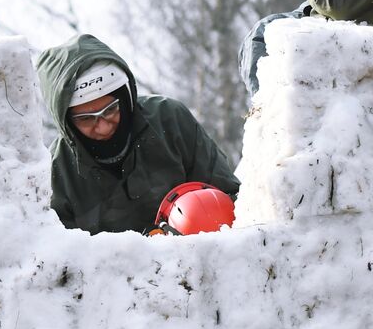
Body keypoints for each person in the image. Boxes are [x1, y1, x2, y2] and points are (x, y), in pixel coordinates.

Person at [36, 34, 239, 235]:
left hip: (198, 254)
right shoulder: (55, 173)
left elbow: (232, 198)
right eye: (86, 119)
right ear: (67, 122)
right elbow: (57, 256)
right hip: (110, 266)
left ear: (125, 98)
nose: (104, 127)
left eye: (110, 110)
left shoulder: (170, 120)